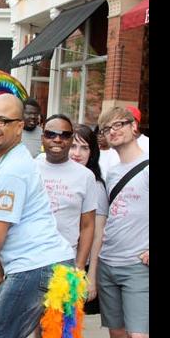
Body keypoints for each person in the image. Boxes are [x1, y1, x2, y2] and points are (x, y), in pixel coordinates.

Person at [0, 93, 74, 338]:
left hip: (36, 267)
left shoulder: (12, 170)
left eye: (2, 121)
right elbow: (7, 227)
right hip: (30, 266)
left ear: (19, 127)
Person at [31, 115, 97, 338]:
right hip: (30, 260)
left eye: (64, 135)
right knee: (38, 328)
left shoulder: (85, 176)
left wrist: (79, 266)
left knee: (59, 332)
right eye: (51, 134)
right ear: (42, 137)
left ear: (70, 139)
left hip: (64, 265)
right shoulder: (30, 167)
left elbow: (88, 225)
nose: (57, 140)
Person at [93, 106, 149, 338]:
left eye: (119, 125)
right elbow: (103, 220)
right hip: (108, 262)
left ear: (133, 127)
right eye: (107, 128)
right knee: (116, 333)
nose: (112, 131)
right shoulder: (111, 173)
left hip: (137, 265)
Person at [69, 123, 108, 315]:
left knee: (65, 324)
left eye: (84, 148)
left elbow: (98, 234)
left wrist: (91, 275)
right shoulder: (55, 175)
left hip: (77, 266)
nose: (77, 153)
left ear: (92, 153)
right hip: (50, 260)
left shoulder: (95, 185)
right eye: (73, 146)